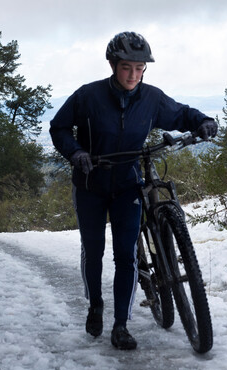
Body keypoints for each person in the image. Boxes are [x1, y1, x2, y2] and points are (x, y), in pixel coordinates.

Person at [49, 31, 218, 350]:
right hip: (90, 184)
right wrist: (76, 153)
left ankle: (121, 326)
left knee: (126, 255)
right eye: (127, 67)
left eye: (140, 68)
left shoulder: (151, 98)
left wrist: (203, 121)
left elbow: (180, 114)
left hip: (127, 183)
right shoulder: (88, 96)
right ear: (114, 65)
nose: (133, 75)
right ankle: (96, 303)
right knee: (94, 249)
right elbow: (59, 128)